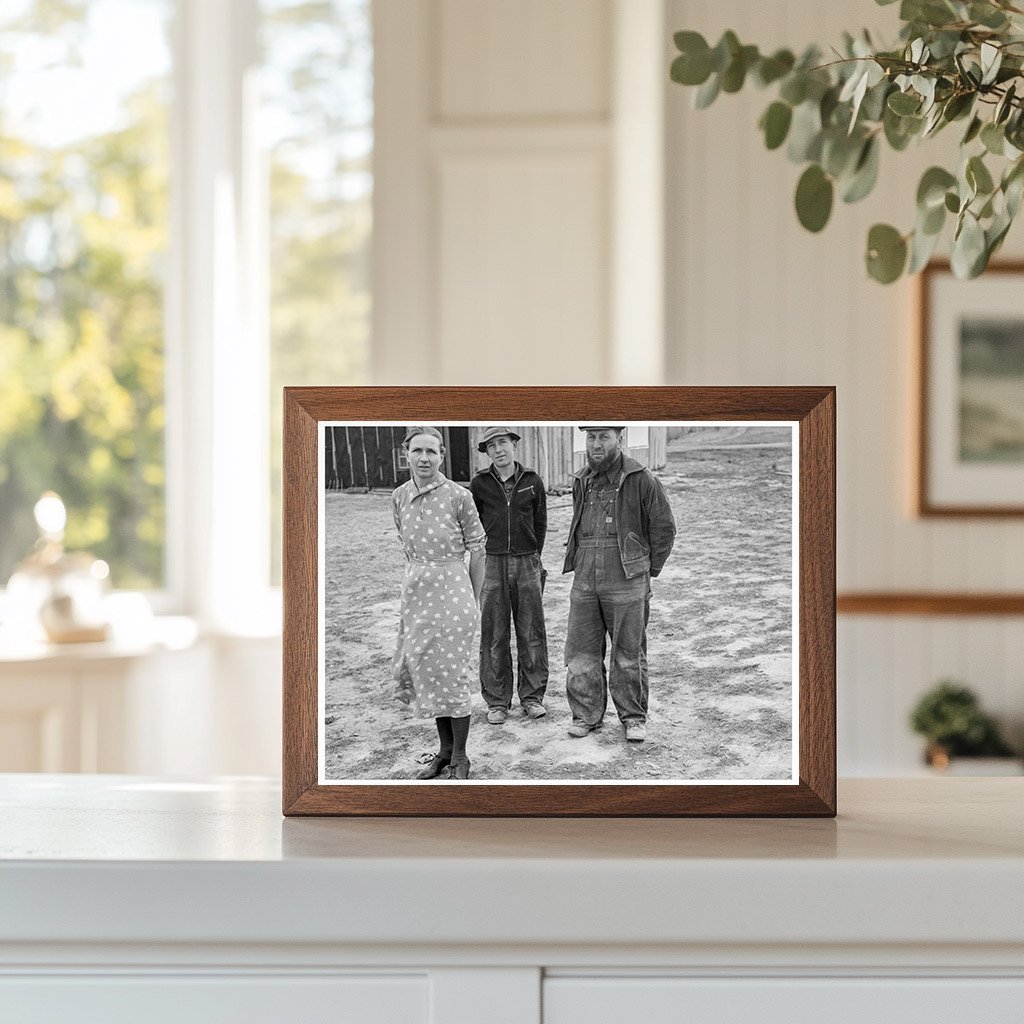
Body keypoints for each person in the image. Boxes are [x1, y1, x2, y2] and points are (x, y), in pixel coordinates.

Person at [562, 426, 676, 743]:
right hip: (585, 578)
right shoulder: (581, 480)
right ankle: (585, 716)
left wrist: (646, 570)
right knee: (581, 652)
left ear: (619, 440)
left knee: (628, 654)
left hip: (627, 579)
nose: (596, 444)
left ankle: (633, 718)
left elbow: (664, 529)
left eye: (604, 437)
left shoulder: (641, 479)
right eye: (591, 437)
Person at [392, 426, 486, 780]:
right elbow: (406, 543)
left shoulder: (459, 496)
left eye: (432, 451)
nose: (424, 458)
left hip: (453, 592)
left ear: (442, 456)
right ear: (407, 454)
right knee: (429, 672)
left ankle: (461, 756)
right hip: (416, 595)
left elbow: (478, 550)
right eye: (418, 451)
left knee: (453, 673)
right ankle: (444, 751)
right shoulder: (399, 496)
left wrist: (472, 598)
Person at [469, 426, 549, 724]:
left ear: (514, 445)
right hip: (492, 563)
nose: (498, 450)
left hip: (527, 562)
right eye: (491, 446)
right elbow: (473, 524)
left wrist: (532, 555)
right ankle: (497, 701)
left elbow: (540, 522)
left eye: (503, 443)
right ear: (487, 453)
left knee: (531, 631)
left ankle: (532, 697)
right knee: (494, 631)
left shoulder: (532, 481)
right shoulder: (479, 484)